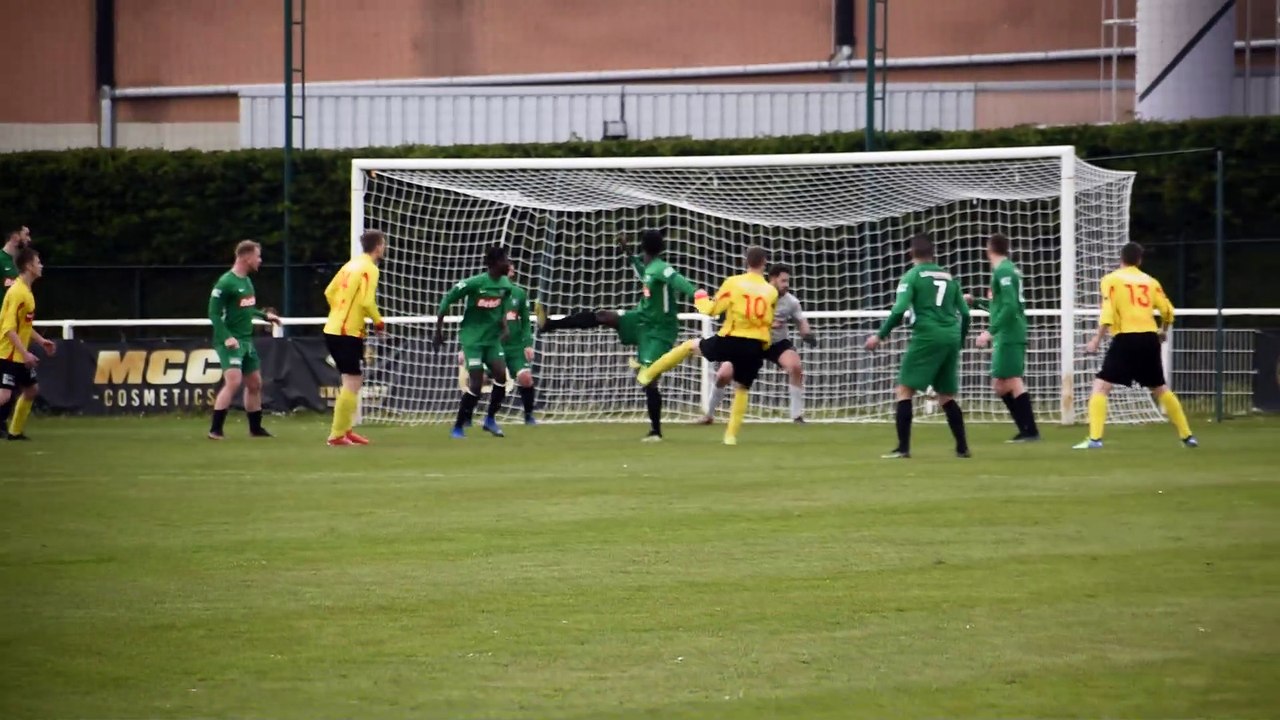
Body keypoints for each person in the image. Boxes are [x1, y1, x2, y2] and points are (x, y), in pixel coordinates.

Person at [536, 229, 697, 442]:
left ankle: (655, 432)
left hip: (660, 330)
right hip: (641, 319)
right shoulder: (650, 268)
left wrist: (699, 295)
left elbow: (678, 280)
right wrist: (627, 251)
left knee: (649, 378)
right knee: (603, 315)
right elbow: (642, 271)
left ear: (644, 245)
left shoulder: (661, 268)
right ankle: (549, 324)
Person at [636, 246, 776, 446]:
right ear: (764, 263)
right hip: (755, 345)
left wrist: (700, 298)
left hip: (732, 339)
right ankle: (730, 437)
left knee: (690, 346)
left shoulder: (734, 282)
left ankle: (647, 374)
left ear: (746, 261)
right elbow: (768, 322)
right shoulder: (771, 291)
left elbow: (713, 310)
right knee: (742, 388)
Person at [1074, 242, 1197, 450]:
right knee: (1160, 387)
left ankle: (1095, 439)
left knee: (1101, 386)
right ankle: (1187, 436)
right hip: (1149, 338)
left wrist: (1096, 339)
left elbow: (1108, 313)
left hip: (1126, 338)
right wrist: (1163, 331)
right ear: (1139, 260)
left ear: (1121, 258)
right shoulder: (1150, 281)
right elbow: (1168, 311)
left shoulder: (1111, 279)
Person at [865, 234, 971, 459]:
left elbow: (899, 309)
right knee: (946, 396)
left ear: (910, 253)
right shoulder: (949, 277)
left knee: (904, 390)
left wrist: (880, 335)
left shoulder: (912, 276)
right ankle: (962, 448)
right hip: (951, 336)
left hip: (927, 336)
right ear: (933, 254)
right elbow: (965, 313)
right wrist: (960, 340)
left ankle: (903, 449)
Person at [698, 263, 814, 424]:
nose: (787, 285)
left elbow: (801, 321)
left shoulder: (791, 302)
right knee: (723, 375)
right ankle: (709, 415)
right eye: (783, 281)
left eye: (788, 281)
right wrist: (768, 324)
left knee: (795, 366)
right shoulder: (760, 294)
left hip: (776, 344)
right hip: (752, 341)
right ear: (772, 279)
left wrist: (807, 334)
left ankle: (797, 416)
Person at [434, 245, 513, 439]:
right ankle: (458, 426)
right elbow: (446, 300)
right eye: (505, 260)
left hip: (492, 340)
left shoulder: (506, 285)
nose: (508, 264)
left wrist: (504, 326)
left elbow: (503, 305)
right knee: (476, 383)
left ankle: (490, 420)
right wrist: (438, 331)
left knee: (501, 376)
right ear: (494, 263)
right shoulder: (475, 283)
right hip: (473, 339)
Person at [967, 233, 1040, 442]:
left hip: (1010, 332)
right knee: (1000, 385)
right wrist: (975, 301)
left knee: (1013, 381)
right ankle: (1026, 429)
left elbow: (1010, 306)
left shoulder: (1004, 271)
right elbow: (999, 306)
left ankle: (1030, 431)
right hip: (1007, 332)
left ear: (989, 249)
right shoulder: (1006, 270)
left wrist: (990, 332)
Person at [207, 240, 281, 440]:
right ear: (247, 257)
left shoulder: (247, 281)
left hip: (246, 340)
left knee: (255, 384)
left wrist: (265, 316)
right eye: (257, 256)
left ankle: (255, 429)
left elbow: (246, 308)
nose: (260, 260)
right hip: (230, 341)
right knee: (233, 381)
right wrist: (227, 337)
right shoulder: (225, 283)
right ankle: (215, 430)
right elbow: (213, 314)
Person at [322, 230, 387, 446]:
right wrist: (378, 322)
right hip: (346, 332)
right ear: (378, 246)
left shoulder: (350, 265)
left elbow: (329, 292)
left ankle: (345, 430)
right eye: (383, 244)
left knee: (351, 380)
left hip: (335, 328)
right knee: (353, 380)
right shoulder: (370, 268)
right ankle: (336, 434)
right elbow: (367, 302)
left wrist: (339, 312)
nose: (384, 248)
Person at [0, 247, 55, 440]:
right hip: (7, 353)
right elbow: (8, 329)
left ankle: (14, 432)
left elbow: (23, 326)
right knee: (4, 396)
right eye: (38, 262)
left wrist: (41, 341)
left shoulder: (26, 291)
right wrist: (25, 354)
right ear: (29, 266)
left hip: (19, 354)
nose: (41, 265)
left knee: (31, 390)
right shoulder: (17, 292)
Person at [503, 262, 538, 425]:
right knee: (478, 378)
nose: (512, 272)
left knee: (526, 378)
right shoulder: (486, 293)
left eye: (512, 270)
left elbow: (525, 322)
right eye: (508, 269)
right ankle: (467, 416)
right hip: (492, 346)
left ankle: (528, 416)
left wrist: (528, 344)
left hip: (515, 347)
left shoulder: (519, 293)